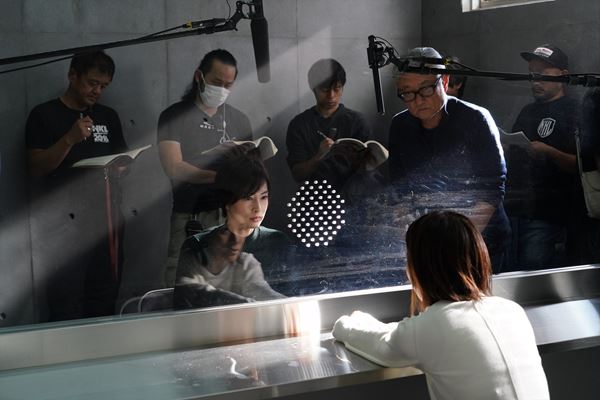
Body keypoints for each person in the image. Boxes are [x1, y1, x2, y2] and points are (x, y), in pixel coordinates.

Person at [332, 211, 549, 400]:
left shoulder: (436, 324)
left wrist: (349, 322)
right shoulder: (511, 310)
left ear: (421, 270)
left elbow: (381, 345)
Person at [25, 51, 128, 321]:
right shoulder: (44, 114)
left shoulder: (108, 116)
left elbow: (122, 158)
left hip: (105, 217)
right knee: (65, 300)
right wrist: (69, 139)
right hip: (63, 224)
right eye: (92, 83)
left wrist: (123, 167)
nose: (97, 91)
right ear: (73, 75)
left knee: (104, 296)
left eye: (104, 86)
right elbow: (36, 167)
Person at [387, 47, 510, 273]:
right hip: (429, 238)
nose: (417, 100)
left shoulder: (475, 119)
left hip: (479, 237)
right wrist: (410, 232)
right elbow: (398, 185)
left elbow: (491, 190)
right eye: (407, 93)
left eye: (426, 89)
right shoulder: (400, 126)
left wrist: (455, 245)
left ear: (444, 81)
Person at [158, 49, 253, 287]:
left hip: (232, 216)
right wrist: (220, 177)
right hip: (190, 214)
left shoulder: (239, 120)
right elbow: (173, 167)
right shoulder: (174, 115)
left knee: (232, 286)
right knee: (182, 284)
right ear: (199, 76)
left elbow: (250, 171)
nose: (222, 90)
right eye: (216, 83)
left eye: (228, 85)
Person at [174, 155, 287, 309]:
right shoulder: (197, 246)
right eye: (248, 198)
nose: (258, 208)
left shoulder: (277, 241)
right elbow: (187, 305)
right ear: (227, 201)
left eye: (263, 197)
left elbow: (290, 301)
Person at [504, 44, 579, 271]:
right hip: (517, 208)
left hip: (551, 214)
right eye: (532, 75)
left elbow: (582, 166)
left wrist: (549, 152)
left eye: (543, 75)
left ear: (563, 75)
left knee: (535, 269)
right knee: (511, 270)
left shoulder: (574, 110)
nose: (535, 81)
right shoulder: (527, 111)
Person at [285, 58, 373, 187]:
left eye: (337, 89)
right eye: (325, 90)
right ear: (313, 88)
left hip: (353, 192)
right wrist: (319, 156)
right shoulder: (299, 124)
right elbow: (298, 174)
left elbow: (369, 169)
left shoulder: (357, 122)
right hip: (316, 193)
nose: (331, 96)